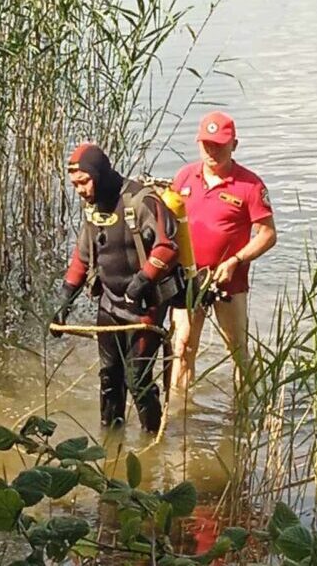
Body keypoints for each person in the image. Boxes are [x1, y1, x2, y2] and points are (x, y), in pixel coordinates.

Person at [50, 143, 180, 432]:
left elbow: (168, 247)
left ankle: (152, 441)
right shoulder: (92, 209)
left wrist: (141, 281)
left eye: (84, 182)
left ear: (99, 174)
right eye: (75, 185)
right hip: (109, 305)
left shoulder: (140, 200)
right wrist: (63, 303)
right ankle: (111, 444)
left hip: (145, 308)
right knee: (109, 378)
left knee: (138, 380)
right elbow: (82, 257)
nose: (80, 190)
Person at [170, 111, 277, 392]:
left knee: (238, 350)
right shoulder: (184, 177)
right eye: (207, 144)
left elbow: (267, 234)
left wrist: (235, 260)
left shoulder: (250, 185)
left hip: (229, 282)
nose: (212, 151)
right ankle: (180, 417)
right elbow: (166, 222)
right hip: (189, 280)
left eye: (219, 144)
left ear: (234, 145)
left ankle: (244, 412)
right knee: (182, 349)